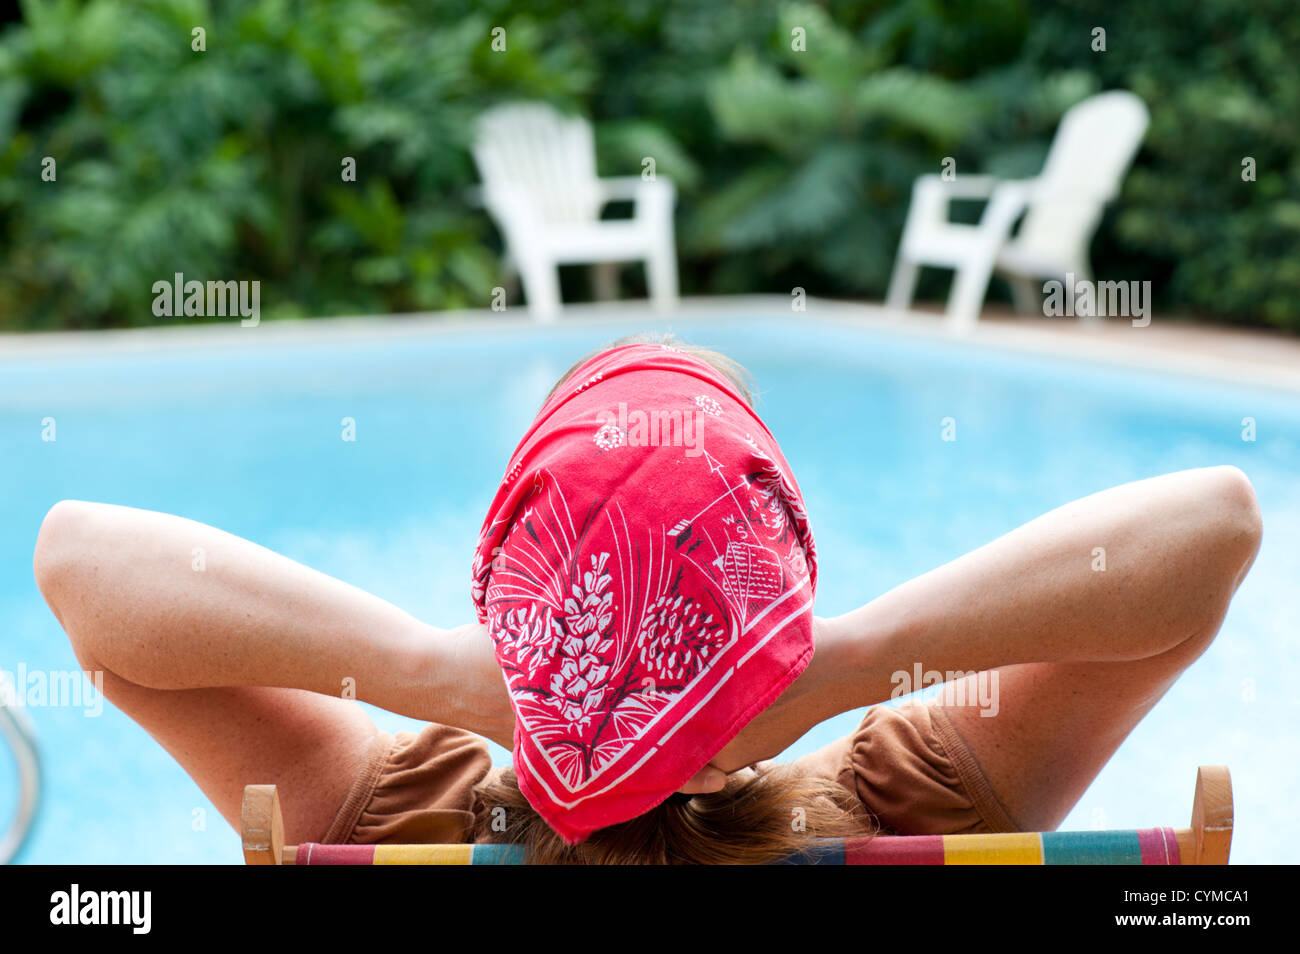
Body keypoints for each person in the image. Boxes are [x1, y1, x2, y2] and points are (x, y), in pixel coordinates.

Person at [32, 332, 1262, 864]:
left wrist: (444, 677)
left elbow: (79, 564)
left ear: (517, 581)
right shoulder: (900, 803)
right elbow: (1211, 529)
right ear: (775, 568)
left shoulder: (395, 814)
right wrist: (835, 666)